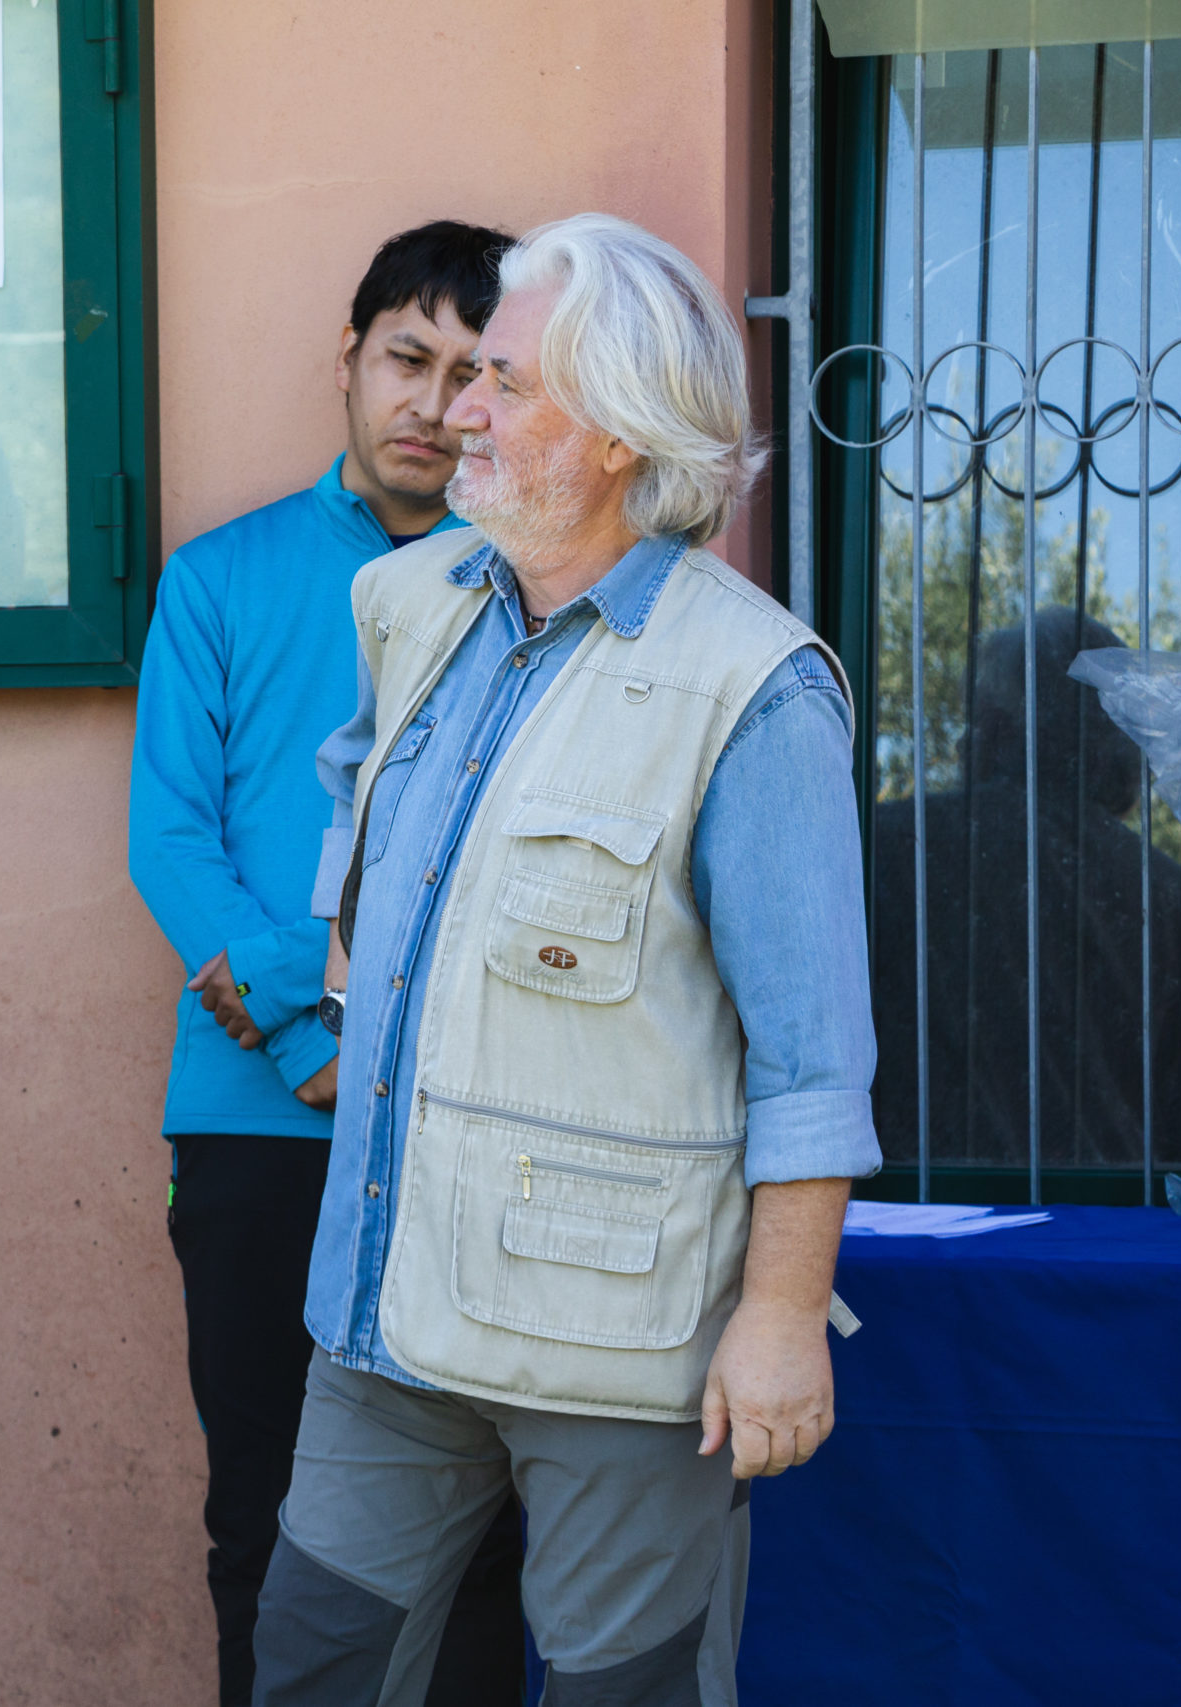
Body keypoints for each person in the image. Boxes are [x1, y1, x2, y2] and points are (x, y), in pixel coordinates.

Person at [246, 214, 879, 1706]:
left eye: (504, 380)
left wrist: (782, 1316)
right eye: (467, 372)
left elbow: (812, 1057)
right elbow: (356, 802)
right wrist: (348, 959)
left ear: (615, 432)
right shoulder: (410, 602)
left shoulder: (752, 688)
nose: (460, 410)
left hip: (618, 1343)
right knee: (312, 1668)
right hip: (387, 1305)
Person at [127, 220, 527, 1707]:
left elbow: (494, 859)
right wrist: (307, 1037)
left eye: (473, 372)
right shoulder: (220, 577)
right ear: (348, 361)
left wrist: (314, 985)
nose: (433, 403)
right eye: (406, 359)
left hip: (459, 1114)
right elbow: (168, 836)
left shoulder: (530, 584)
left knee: (474, 1536)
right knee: (265, 1515)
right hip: (253, 1118)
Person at [871, 607, 1181, 1169]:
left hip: (913, 1213)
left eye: (975, 718)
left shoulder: (891, 848)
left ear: (998, 725)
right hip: (1124, 1219)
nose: (963, 740)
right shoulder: (1167, 895)